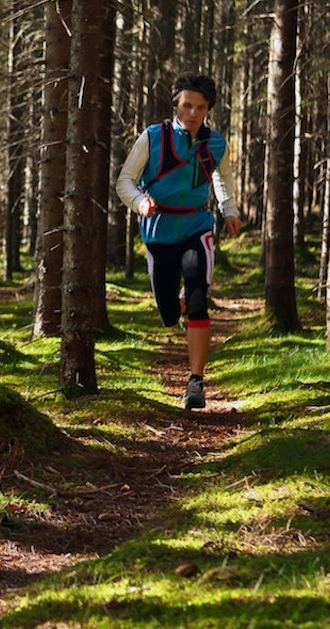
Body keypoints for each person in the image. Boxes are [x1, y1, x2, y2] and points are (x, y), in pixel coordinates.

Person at [115, 72, 242, 410]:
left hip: (197, 226)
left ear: (208, 109)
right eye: (187, 105)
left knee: (199, 296)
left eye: (200, 107)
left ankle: (196, 382)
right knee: (169, 312)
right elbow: (125, 181)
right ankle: (178, 305)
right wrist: (141, 203)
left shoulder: (216, 143)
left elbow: (222, 180)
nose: (193, 113)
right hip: (158, 230)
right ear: (176, 104)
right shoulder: (152, 137)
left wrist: (229, 210)